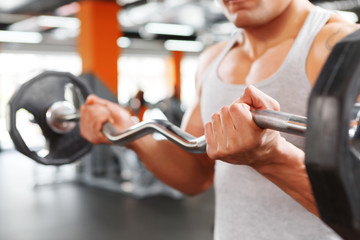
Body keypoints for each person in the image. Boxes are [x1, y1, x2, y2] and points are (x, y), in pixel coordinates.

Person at [79, 0, 359, 239]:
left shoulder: (342, 47)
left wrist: (271, 157)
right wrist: (129, 132)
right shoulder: (211, 60)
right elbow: (194, 175)